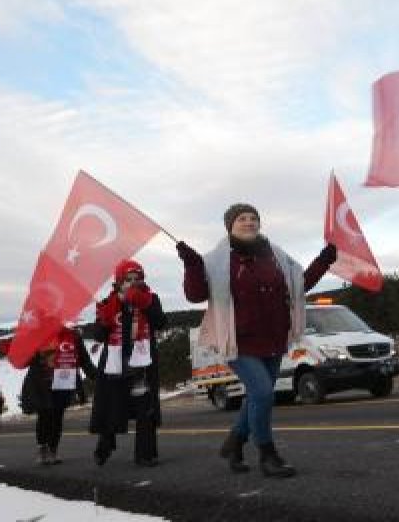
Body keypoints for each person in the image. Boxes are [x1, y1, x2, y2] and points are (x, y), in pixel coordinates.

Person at [178, 203, 337, 478]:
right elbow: (196, 294)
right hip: (238, 340)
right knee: (263, 393)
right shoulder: (217, 260)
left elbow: (300, 285)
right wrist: (192, 265)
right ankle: (268, 454)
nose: (249, 222)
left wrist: (324, 260)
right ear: (230, 225)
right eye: (242, 218)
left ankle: (235, 443)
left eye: (254, 218)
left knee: (256, 396)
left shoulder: (275, 256)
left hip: (274, 336)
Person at [88, 260, 168, 468]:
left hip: (143, 363)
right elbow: (98, 334)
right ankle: (105, 445)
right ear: (119, 281)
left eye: (137, 279)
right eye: (128, 279)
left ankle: (145, 454)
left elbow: (161, 322)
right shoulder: (109, 301)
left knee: (145, 408)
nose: (132, 283)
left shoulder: (151, 298)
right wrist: (104, 319)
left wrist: (144, 303)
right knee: (113, 405)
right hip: (116, 363)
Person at [20, 326, 94, 465]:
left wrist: (97, 376)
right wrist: (39, 353)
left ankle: (53, 449)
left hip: (64, 381)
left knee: (57, 416)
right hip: (42, 383)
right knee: (45, 415)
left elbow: (84, 360)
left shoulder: (73, 336)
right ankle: (43, 448)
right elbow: (24, 360)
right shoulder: (37, 335)